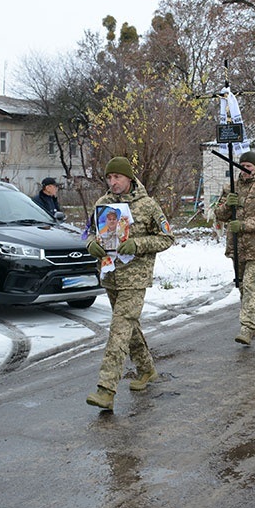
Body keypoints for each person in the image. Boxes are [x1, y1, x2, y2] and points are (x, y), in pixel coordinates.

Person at [84, 157, 174, 412]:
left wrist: (139, 244)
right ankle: (146, 370)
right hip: (111, 274)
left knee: (119, 330)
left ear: (129, 179)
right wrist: (90, 243)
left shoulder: (147, 206)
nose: (113, 182)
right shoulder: (102, 204)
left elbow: (167, 237)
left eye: (118, 178)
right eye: (109, 178)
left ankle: (106, 389)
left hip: (135, 278)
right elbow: (90, 231)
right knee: (129, 327)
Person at [213, 151, 255, 345]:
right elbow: (219, 213)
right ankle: (253, 323)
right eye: (242, 165)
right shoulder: (230, 188)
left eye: (249, 166)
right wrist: (227, 206)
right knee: (242, 286)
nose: (245, 169)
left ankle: (247, 327)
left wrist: (244, 225)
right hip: (237, 247)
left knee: (250, 285)